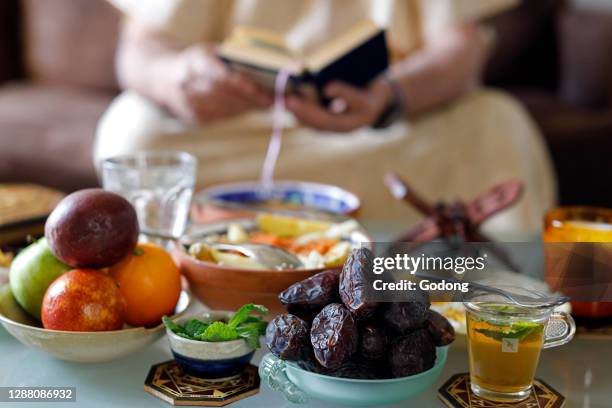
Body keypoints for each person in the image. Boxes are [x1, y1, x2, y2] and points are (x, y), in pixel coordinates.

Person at [95, 0, 555, 237]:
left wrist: (392, 96)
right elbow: (140, 49)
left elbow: (462, 50)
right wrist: (177, 78)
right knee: (133, 132)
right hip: (242, 127)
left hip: (391, 129)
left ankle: (499, 305)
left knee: (499, 123)